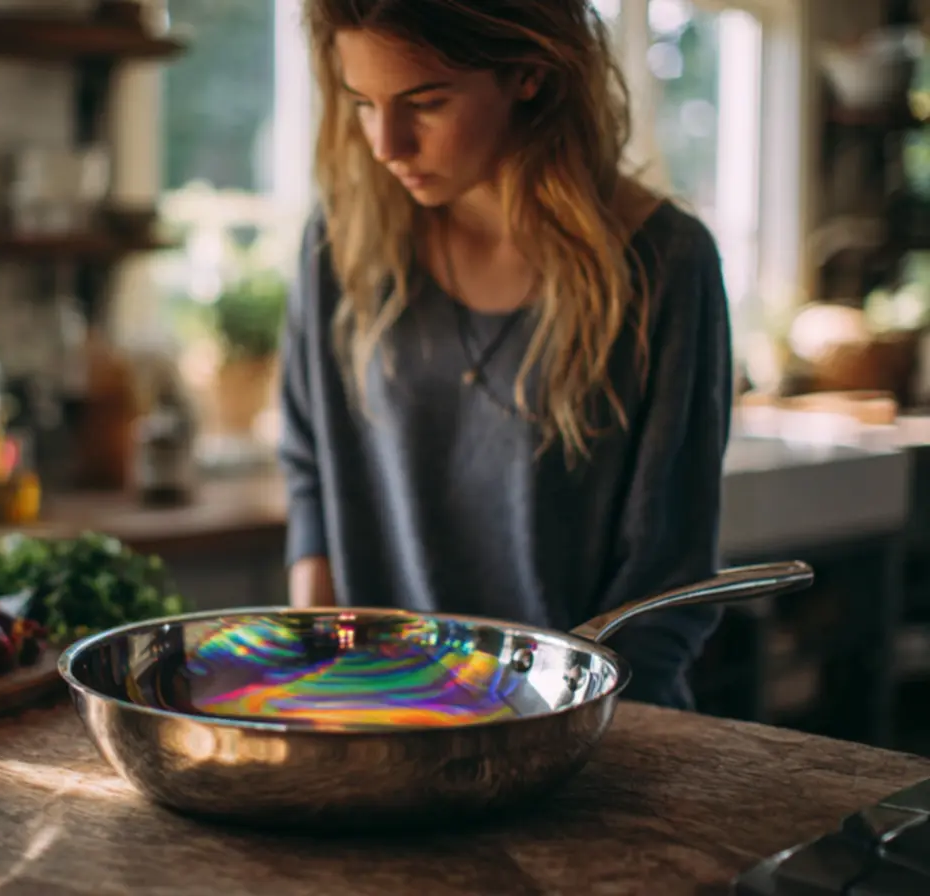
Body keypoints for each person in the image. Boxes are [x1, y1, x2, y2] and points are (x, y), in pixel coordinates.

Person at [278, 0, 733, 709]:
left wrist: (549, 739)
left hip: (593, 740)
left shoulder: (663, 262)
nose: (386, 143)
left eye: (425, 102)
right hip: (376, 721)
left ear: (528, 72)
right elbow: (310, 474)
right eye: (361, 102)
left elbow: (665, 579)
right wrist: (320, 672)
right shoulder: (340, 245)